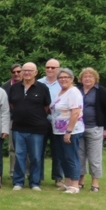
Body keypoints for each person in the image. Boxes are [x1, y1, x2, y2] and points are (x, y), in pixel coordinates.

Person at [8, 62, 51, 191]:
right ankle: (18, 182)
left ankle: (35, 183)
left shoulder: (42, 88)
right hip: (18, 128)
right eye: (24, 70)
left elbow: (46, 107)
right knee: (19, 156)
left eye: (30, 70)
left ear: (36, 72)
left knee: (36, 157)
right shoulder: (14, 88)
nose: (27, 73)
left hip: (37, 129)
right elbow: (12, 105)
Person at [77, 68, 106, 192]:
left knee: (94, 157)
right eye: (85, 76)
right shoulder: (77, 90)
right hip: (79, 128)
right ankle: (80, 181)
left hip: (95, 128)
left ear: (95, 79)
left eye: (90, 76)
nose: (87, 78)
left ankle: (95, 183)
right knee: (79, 156)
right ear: (81, 79)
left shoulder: (101, 91)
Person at [50, 68, 85, 193]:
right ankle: (68, 182)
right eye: (60, 77)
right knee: (62, 157)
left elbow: (75, 113)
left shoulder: (73, 92)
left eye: (66, 77)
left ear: (72, 79)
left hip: (71, 131)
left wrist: (68, 132)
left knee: (71, 157)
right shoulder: (61, 92)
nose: (63, 79)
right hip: (58, 131)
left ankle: (75, 185)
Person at [39, 58, 64, 188]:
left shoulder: (63, 83)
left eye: (53, 68)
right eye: (47, 67)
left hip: (58, 122)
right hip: (41, 121)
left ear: (58, 69)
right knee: (38, 151)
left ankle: (58, 178)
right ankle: (37, 177)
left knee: (58, 151)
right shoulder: (38, 83)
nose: (49, 70)